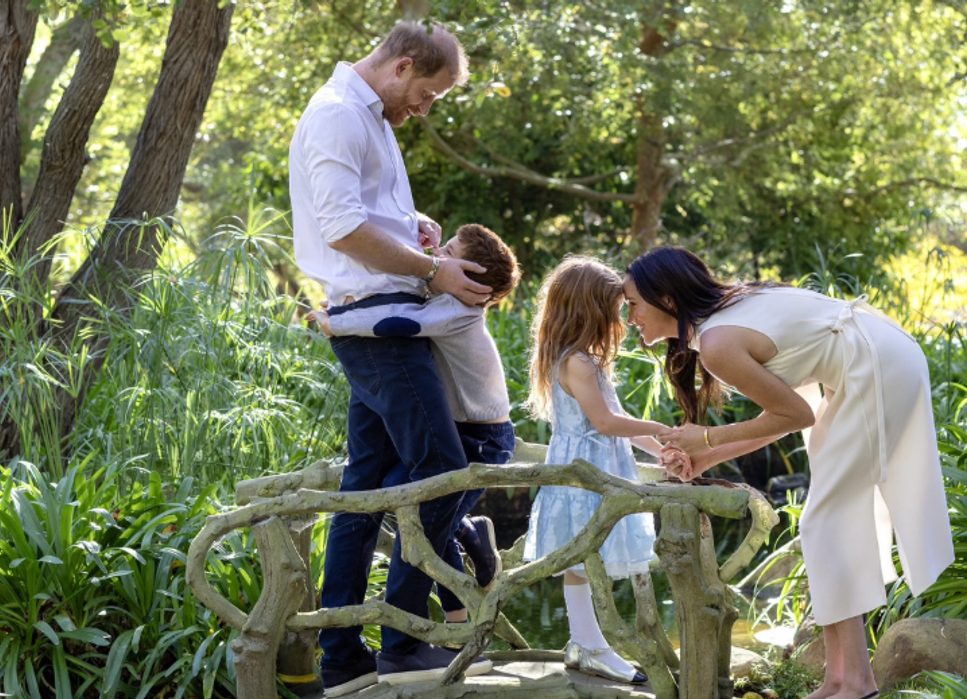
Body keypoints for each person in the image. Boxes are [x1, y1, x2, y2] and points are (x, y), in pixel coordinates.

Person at [625, 246, 954, 699]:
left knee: (826, 521)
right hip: (875, 357)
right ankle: (839, 680)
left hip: (878, 366)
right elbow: (783, 415)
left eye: (632, 304)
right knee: (827, 522)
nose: (629, 317)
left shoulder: (719, 343)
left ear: (664, 298)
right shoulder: (727, 316)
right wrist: (707, 457)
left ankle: (855, 683)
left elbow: (795, 414)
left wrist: (704, 438)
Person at [289, 21, 497, 695]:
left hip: (378, 321)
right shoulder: (338, 116)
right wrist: (434, 270)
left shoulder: (371, 116)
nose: (424, 109)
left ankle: (344, 657)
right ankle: (404, 640)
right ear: (402, 66)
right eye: (428, 94)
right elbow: (341, 228)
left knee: (365, 490)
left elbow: (366, 217)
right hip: (379, 330)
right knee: (441, 468)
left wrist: (412, 230)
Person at [308, 223, 521, 623]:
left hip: (484, 437)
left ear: (471, 277)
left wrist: (337, 322)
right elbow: (396, 303)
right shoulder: (442, 299)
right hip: (466, 427)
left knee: (427, 512)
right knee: (415, 504)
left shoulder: (457, 310)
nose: (437, 256)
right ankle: (465, 554)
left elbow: (399, 322)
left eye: (450, 252)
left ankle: (461, 588)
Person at [520, 257, 682, 685]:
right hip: (585, 477)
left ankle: (583, 640)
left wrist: (661, 447)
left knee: (587, 557)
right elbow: (606, 424)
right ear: (589, 310)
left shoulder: (584, 359)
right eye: (615, 310)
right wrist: (664, 427)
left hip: (598, 469)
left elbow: (617, 420)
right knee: (584, 557)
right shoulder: (576, 362)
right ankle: (592, 645)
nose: (622, 319)